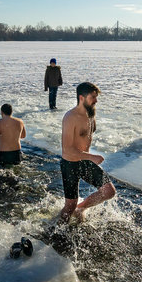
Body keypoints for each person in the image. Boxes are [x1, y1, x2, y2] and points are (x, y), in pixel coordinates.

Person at [58, 82, 116, 222]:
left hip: (84, 162)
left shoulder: (91, 115)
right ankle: (58, 228)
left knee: (108, 192)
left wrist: (88, 157)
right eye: (92, 97)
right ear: (81, 98)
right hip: (70, 164)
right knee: (69, 206)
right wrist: (91, 157)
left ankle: (81, 208)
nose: (96, 100)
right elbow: (67, 149)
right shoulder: (70, 117)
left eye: (96, 97)